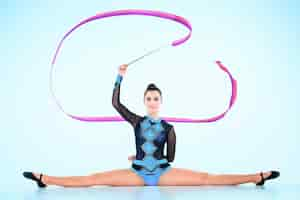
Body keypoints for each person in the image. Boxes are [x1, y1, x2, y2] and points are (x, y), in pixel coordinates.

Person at [23, 64, 280, 187]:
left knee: (206, 179)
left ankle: (258, 177)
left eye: (156, 98)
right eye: (149, 98)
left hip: (161, 173)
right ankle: (43, 178)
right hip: (136, 173)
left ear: (161, 101)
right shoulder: (136, 120)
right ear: (144, 101)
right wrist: (119, 77)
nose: (152, 101)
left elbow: (171, 157)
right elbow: (115, 103)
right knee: (93, 179)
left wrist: (147, 154)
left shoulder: (169, 128)